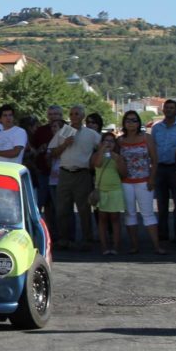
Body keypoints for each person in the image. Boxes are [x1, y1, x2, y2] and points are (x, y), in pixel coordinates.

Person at [50, 105, 101, 250]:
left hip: (82, 174)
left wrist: (94, 160)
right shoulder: (64, 131)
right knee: (62, 209)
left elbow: (103, 146)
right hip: (65, 173)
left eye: (77, 114)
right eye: (71, 114)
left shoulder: (91, 134)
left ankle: (87, 239)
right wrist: (64, 144)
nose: (74, 116)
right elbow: (53, 152)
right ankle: (64, 239)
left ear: (83, 116)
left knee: (84, 209)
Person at [118, 110, 167, 255]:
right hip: (126, 182)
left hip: (144, 181)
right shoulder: (120, 141)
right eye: (128, 120)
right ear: (124, 123)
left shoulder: (147, 138)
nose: (131, 123)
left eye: (134, 120)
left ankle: (157, 246)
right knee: (130, 214)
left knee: (148, 213)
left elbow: (154, 160)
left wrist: (152, 178)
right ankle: (134, 245)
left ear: (139, 122)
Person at [151, 99, 176, 243]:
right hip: (160, 168)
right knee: (161, 204)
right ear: (163, 110)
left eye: (172, 108)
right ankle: (163, 233)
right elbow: (152, 148)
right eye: (167, 107)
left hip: (175, 168)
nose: (169, 110)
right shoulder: (156, 128)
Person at [91, 132, 126, 256]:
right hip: (101, 190)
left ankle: (116, 246)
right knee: (102, 219)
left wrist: (116, 159)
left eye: (111, 141)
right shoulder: (97, 155)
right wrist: (101, 151)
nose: (109, 143)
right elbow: (97, 164)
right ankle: (104, 246)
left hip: (115, 190)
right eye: (106, 141)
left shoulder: (118, 156)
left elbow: (123, 173)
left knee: (115, 219)